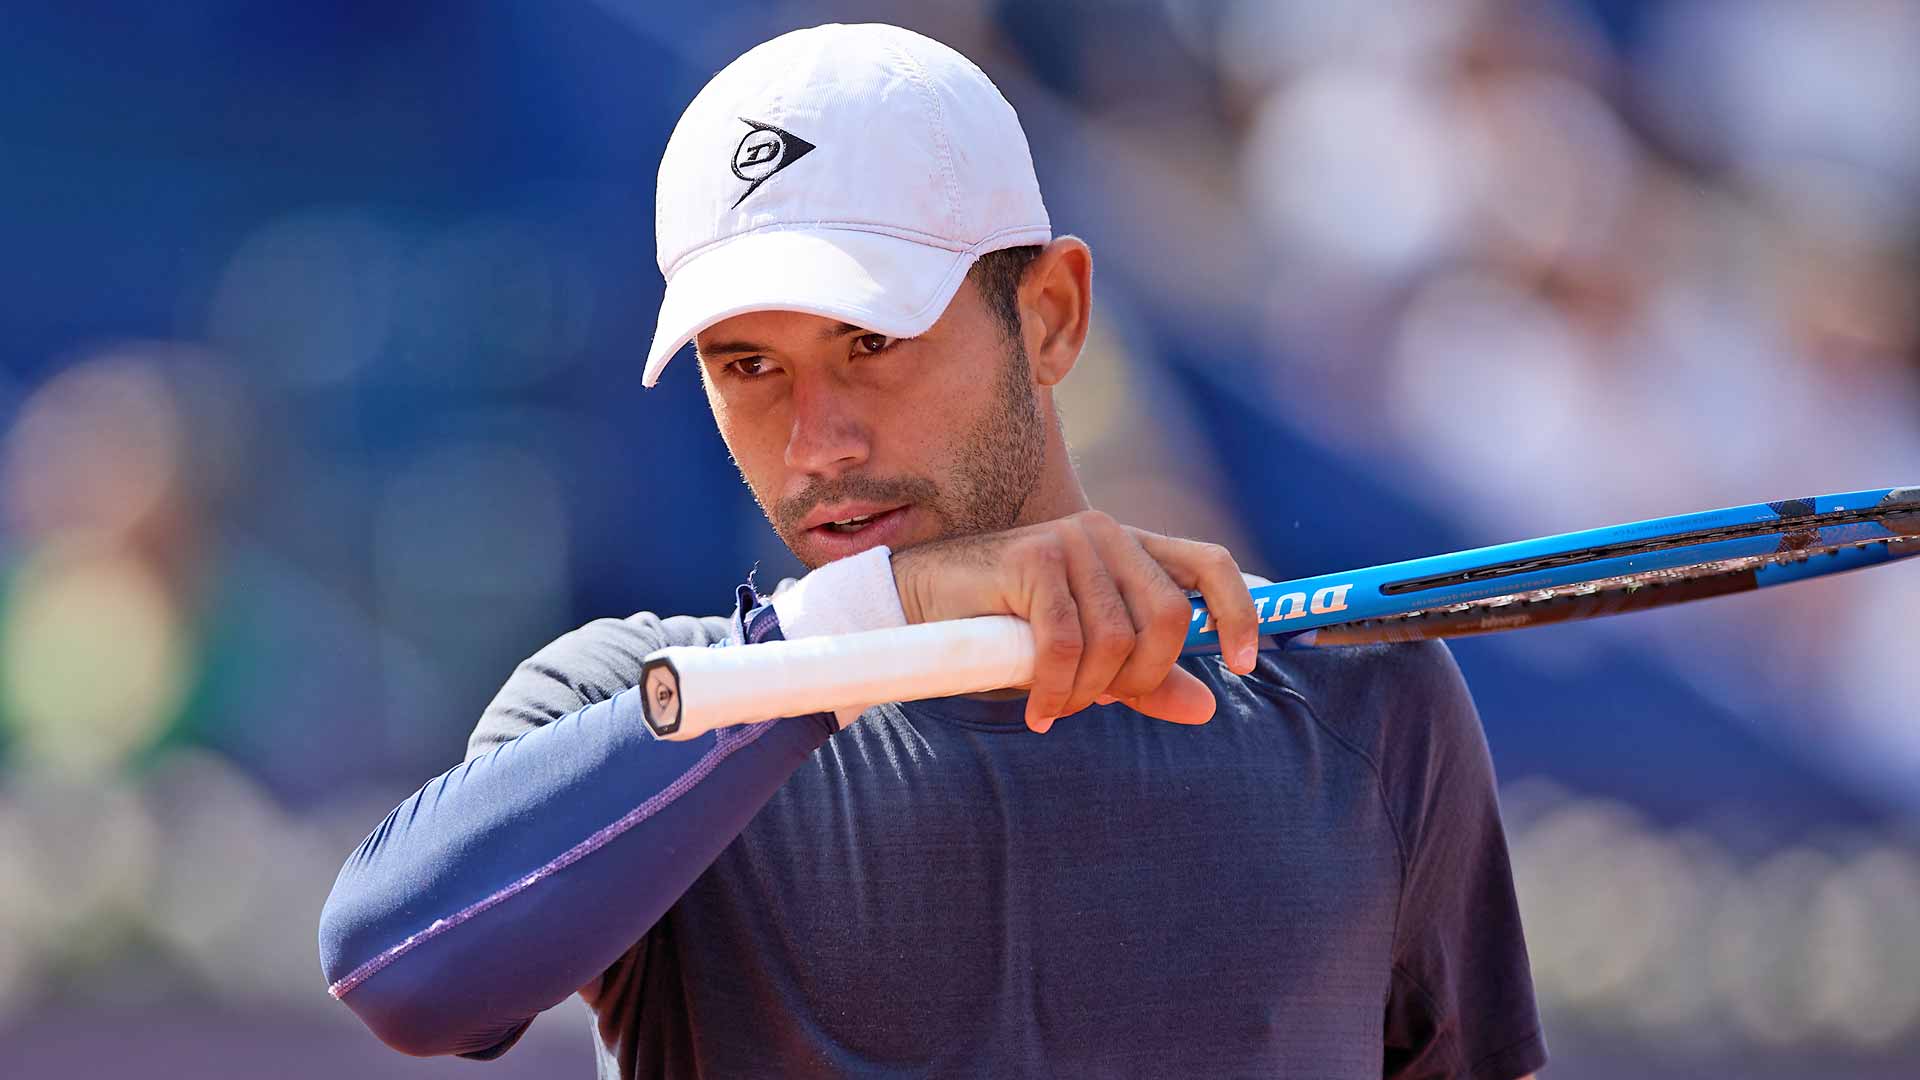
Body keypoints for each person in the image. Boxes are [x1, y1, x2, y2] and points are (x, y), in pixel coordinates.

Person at [318, 23, 1545, 1080]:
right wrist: (860, 626)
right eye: (749, 368)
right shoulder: (644, 702)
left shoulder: (1354, 691)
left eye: (873, 343)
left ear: (1052, 315)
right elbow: (396, 972)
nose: (819, 445)